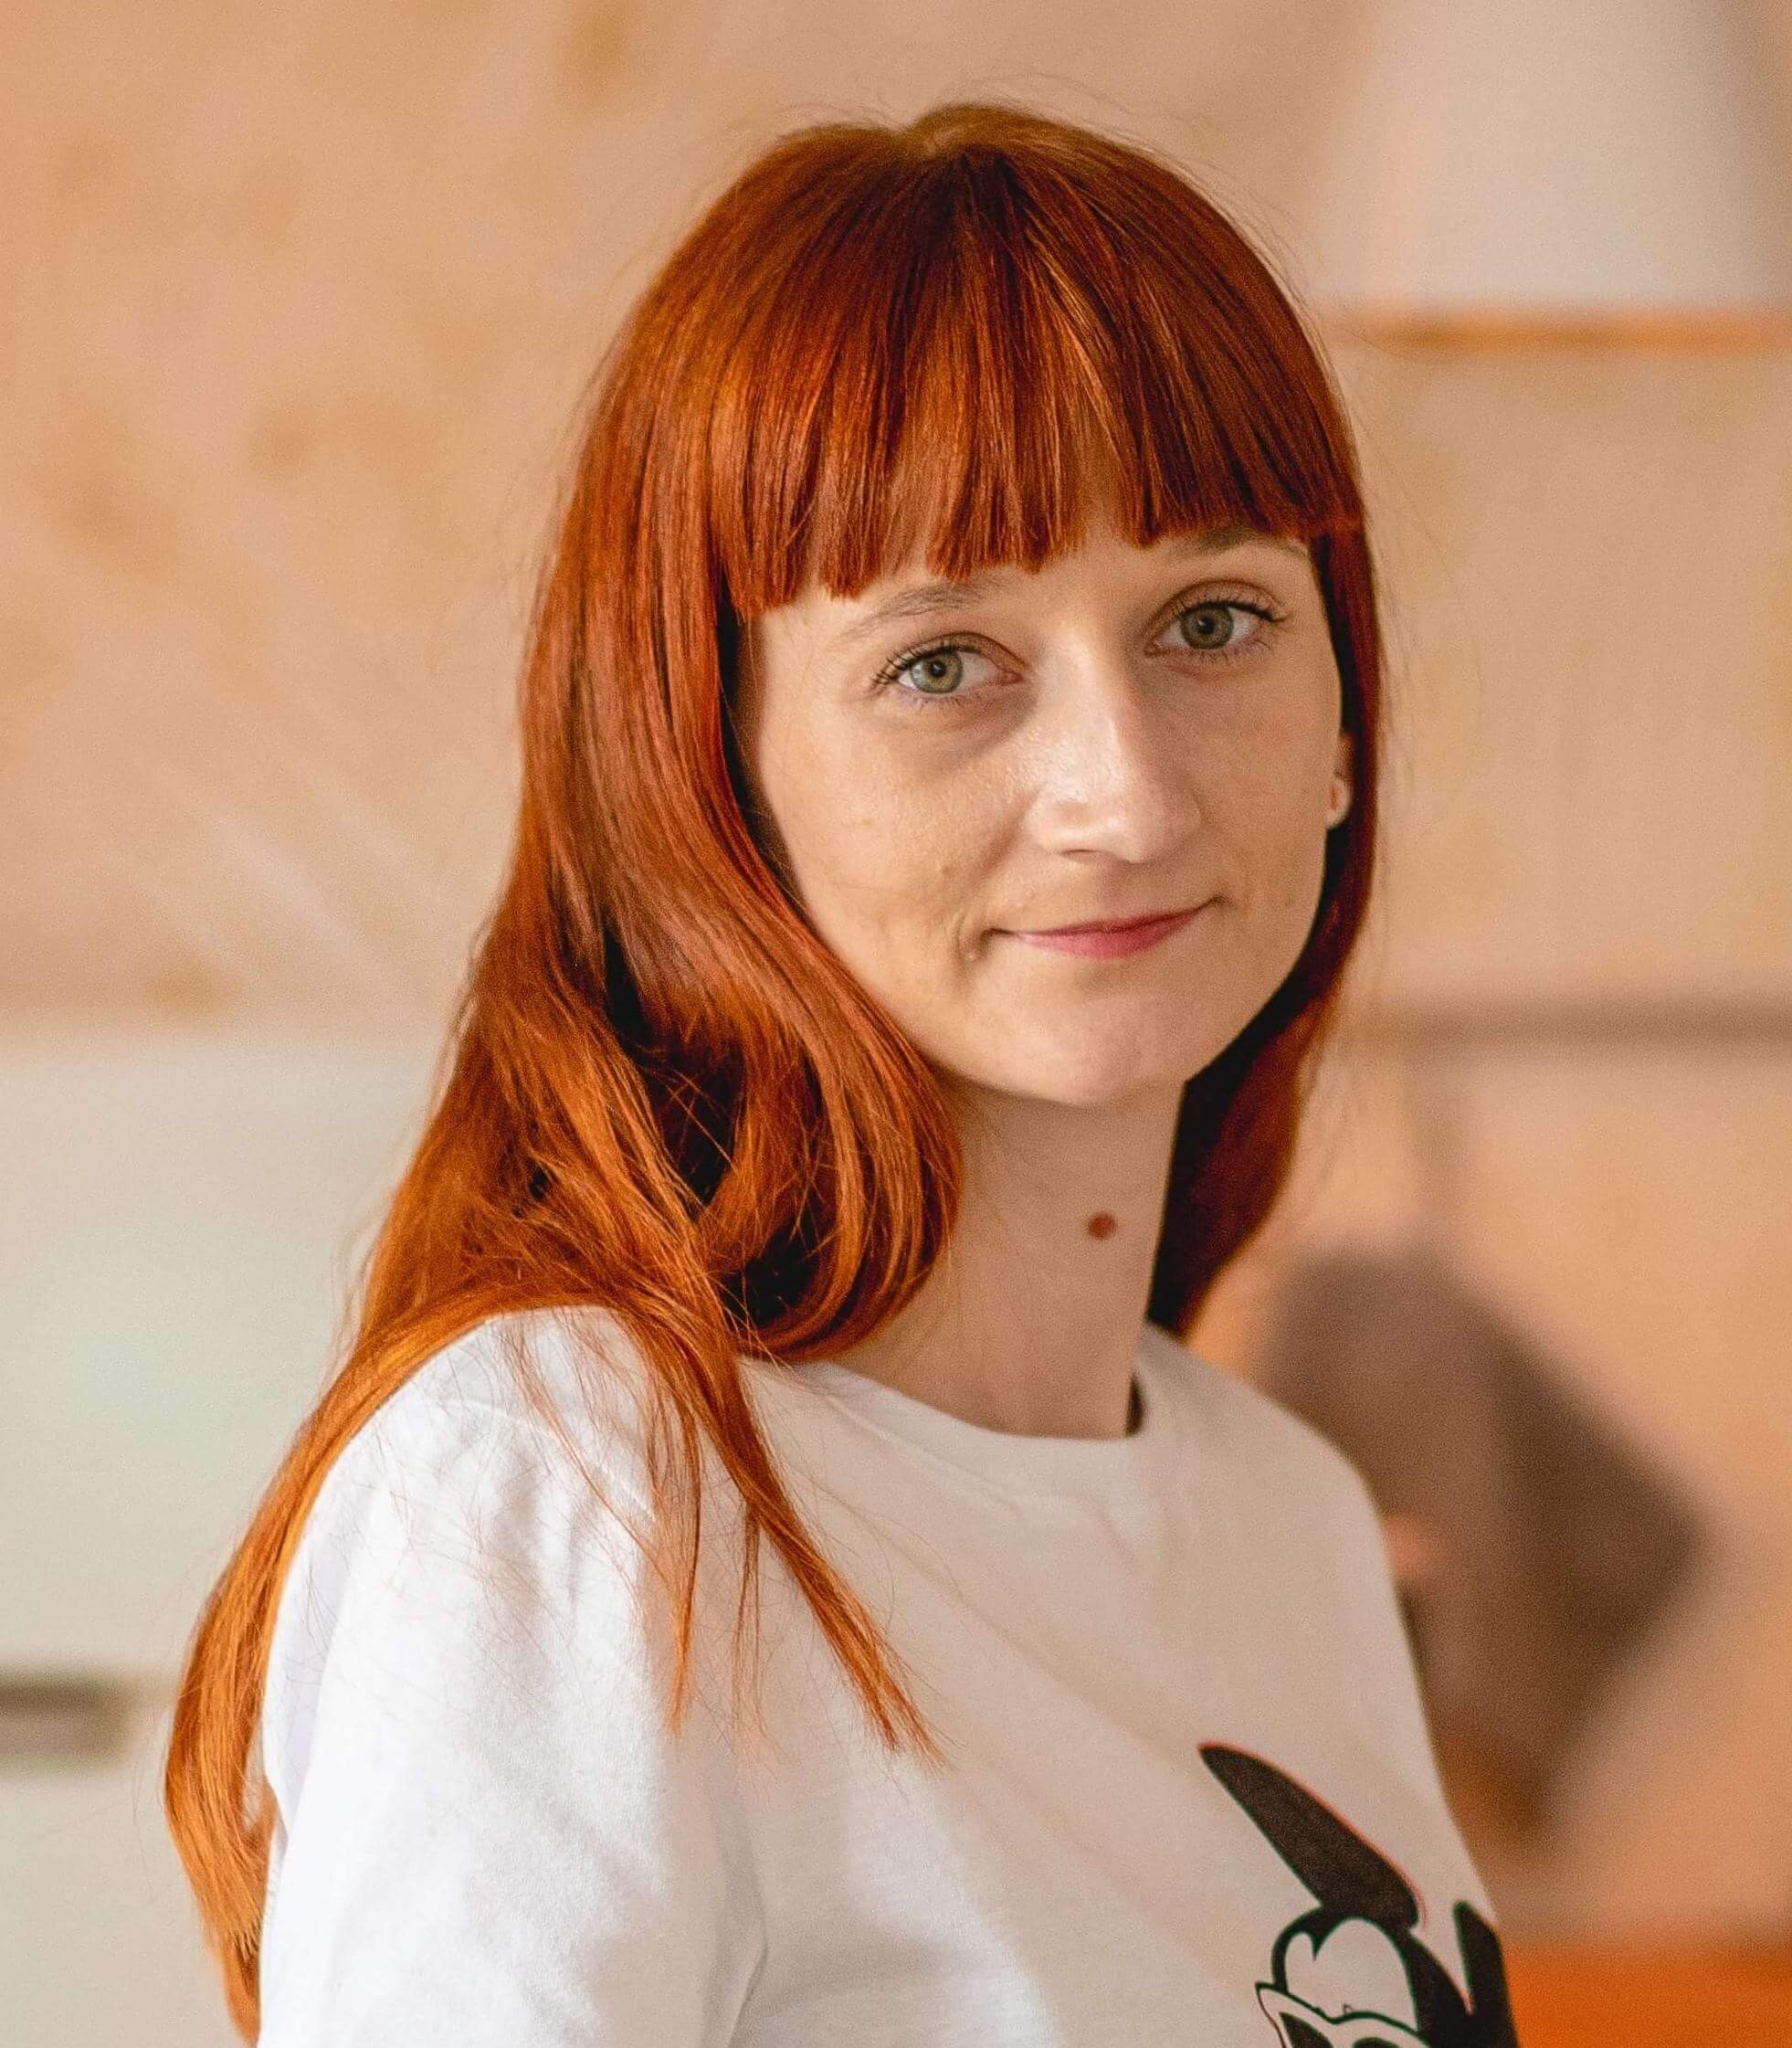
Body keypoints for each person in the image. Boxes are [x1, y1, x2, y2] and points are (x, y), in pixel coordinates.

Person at [163, 99, 1522, 2047]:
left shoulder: (1287, 1519)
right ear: (712, 773)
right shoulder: (575, 1490)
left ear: (1342, 724)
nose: (1125, 793)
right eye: (942, 662)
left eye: (1212, 620)